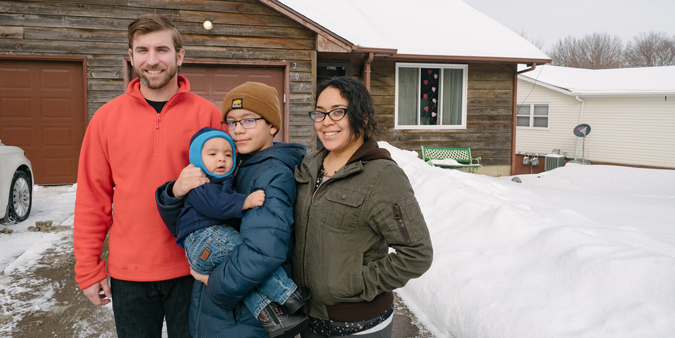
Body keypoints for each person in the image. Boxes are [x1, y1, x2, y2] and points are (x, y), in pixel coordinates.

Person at [73, 14, 222, 338]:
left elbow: (225, 188)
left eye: (161, 50)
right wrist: (88, 267)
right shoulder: (106, 119)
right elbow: (92, 198)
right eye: (142, 50)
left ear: (179, 55)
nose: (152, 60)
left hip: (194, 268)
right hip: (130, 273)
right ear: (130, 56)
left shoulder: (207, 114)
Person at [155, 82, 308, 338]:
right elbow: (191, 224)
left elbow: (263, 252)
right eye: (232, 122)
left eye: (248, 121)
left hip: (240, 318)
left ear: (272, 125)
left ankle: (288, 295)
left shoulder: (271, 173)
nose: (238, 130)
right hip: (226, 313)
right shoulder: (232, 166)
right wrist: (176, 193)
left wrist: (212, 282)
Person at [292, 76, 434, 337]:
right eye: (320, 113)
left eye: (337, 112)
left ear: (363, 117)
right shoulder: (309, 166)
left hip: (359, 325)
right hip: (308, 318)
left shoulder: (383, 176)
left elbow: (417, 254)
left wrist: (356, 282)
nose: (326, 122)